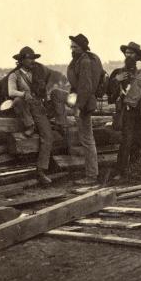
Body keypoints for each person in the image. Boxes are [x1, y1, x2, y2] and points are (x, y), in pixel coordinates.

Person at [104, 41, 141, 185]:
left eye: (132, 53)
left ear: (137, 57)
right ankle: (120, 172)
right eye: (127, 53)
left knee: (138, 140)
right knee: (126, 141)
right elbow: (109, 94)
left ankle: (135, 169)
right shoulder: (117, 73)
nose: (128, 55)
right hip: (126, 111)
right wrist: (116, 81)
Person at [54, 33, 104, 184]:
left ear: (82, 47)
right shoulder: (80, 59)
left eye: (75, 47)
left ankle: (91, 176)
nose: (72, 48)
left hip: (84, 103)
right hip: (80, 99)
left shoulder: (85, 62)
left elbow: (86, 86)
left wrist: (78, 108)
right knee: (55, 93)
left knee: (87, 140)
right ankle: (61, 122)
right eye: (71, 46)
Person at [7, 46, 60, 186]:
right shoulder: (14, 75)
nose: (32, 61)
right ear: (21, 60)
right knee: (17, 100)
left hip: (37, 106)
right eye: (29, 58)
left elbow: (51, 79)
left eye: (33, 58)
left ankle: (41, 170)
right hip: (24, 105)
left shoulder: (37, 73)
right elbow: (11, 92)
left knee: (47, 136)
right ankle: (29, 125)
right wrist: (23, 94)